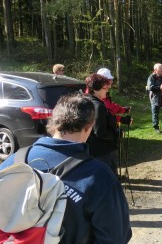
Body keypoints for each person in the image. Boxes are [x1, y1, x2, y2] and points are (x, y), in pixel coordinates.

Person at [0, 93, 132, 243]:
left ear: (53, 121)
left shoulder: (14, 161)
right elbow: (116, 238)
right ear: (89, 126)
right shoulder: (98, 176)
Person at [85, 73, 119, 176]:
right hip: (102, 152)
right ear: (96, 89)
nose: (107, 89)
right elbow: (100, 132)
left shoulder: (87, 100)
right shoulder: (98, 106)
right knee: (110, 178)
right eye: (105, 88)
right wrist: (116, 134)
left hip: (92, 150)